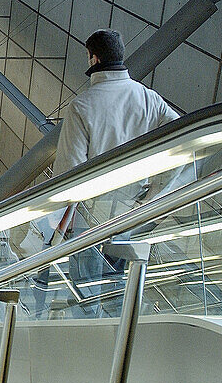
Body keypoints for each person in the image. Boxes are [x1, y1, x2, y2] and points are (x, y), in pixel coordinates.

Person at [41, 29, 179, 297]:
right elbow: (180, 142)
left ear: (93, 60)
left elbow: (70, 171)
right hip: (131, 209)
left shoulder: (82, 106)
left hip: (90, 216)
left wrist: (55, 218)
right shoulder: (150, 99)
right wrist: (154, 193)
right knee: (115, 280)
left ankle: (90, 322)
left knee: (86, 285)